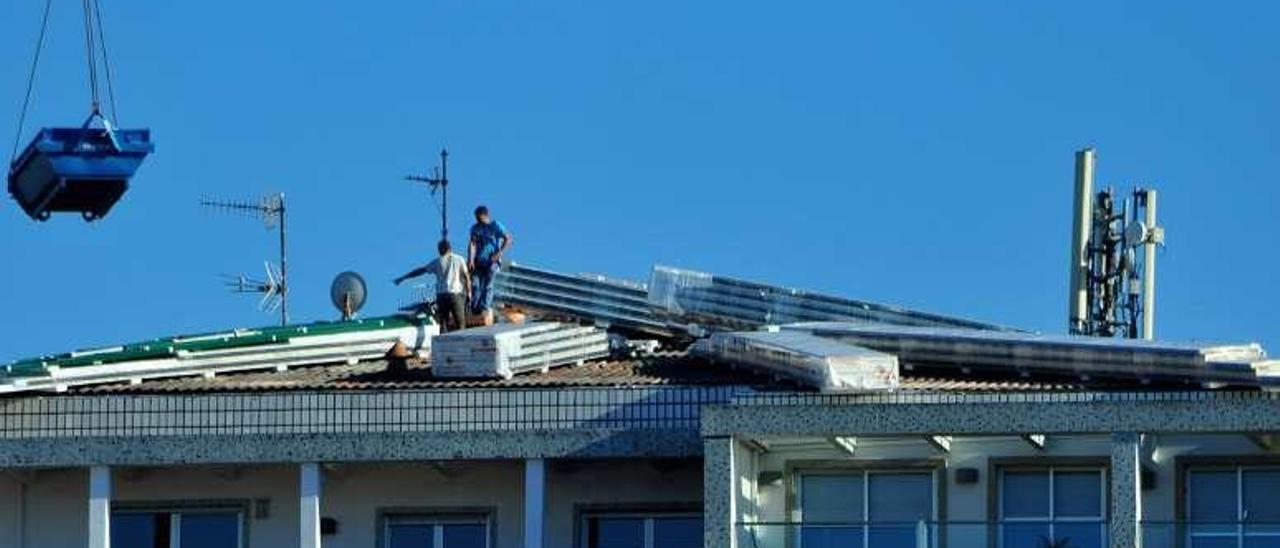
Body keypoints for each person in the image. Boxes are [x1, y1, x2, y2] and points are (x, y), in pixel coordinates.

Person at [394, 239, 471, 332]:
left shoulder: (437, 262)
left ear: (439, 250)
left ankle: (443, 343)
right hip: (455, 294)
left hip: (441, 295)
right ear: (450, 248)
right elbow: (467, 276)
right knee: (460, 324)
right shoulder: (459, 259)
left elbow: (421, 271)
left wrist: (404, 277)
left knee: (443, 324)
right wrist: (469, 293)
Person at [468, 205, 513, 326]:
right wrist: (471, 259)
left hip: (492, 262)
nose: (477, 220)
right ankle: (475, 309)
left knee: (488, 285)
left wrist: (499, 253)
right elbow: (472, 244)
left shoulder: (495, 225)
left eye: (478, 217)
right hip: (478, 262)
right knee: (475, 285)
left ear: (485, 215)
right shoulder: (475, 228)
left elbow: (508, 238)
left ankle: (485, 308)